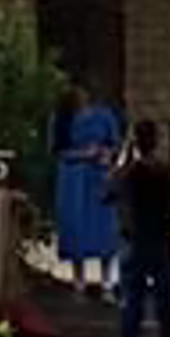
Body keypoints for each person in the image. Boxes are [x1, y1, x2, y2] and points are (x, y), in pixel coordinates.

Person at [111, 118, 170, 337]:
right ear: (155, 141)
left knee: (132, 306)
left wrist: (122, 159)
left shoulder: (127, 172)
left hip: (133, 243)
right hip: (162, 243)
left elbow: (107, 193)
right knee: (166, 307)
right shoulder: (166, 170)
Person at [52, 85, 127, 294]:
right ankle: (79, 278)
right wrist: (82, 154)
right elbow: (58, 151)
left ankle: (107, 279)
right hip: (73, 178)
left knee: (105, 227)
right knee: (76, 226)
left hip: (99, 175)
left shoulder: (104, 115)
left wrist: (106, 153)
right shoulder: (62, 118)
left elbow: (116, 144)